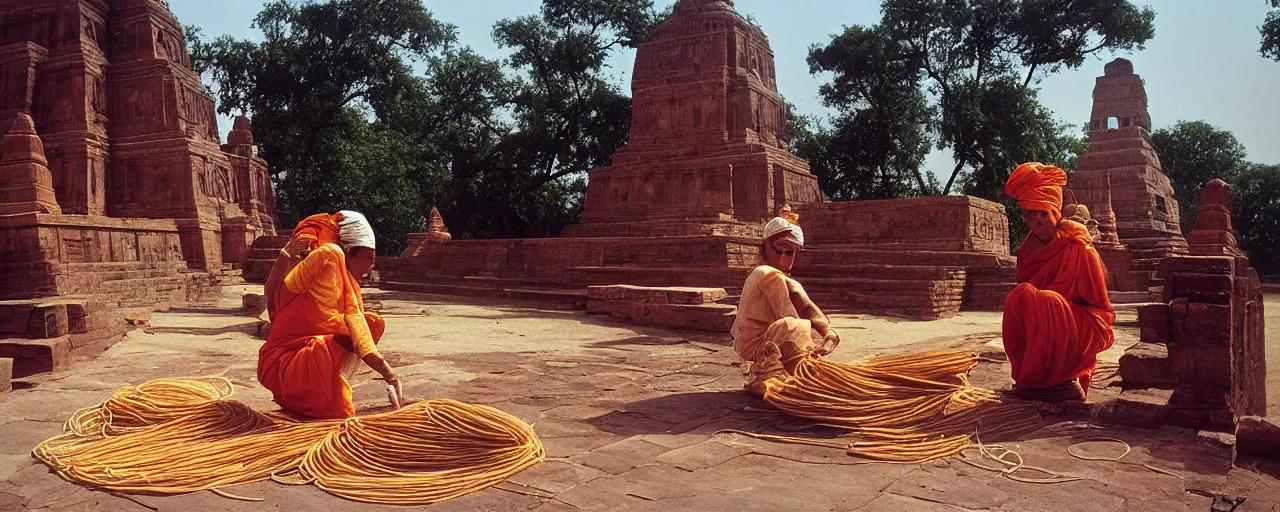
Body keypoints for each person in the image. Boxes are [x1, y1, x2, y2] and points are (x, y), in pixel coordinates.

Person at [257, 210, 404, 419]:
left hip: (305, 356)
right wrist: (286, 255)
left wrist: (391, 376)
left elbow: (360, 332)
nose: (372, 266)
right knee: (326, 346)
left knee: (371, 323)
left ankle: (314, 401)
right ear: (351, 252)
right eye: (369, 257)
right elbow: (275, 295)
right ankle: (304, 397)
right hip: (281, 362)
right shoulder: (330, 254)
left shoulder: (348, 285)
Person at [1002, 162, 1116, 403]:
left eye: (1042, 213)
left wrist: (1053, 306)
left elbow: (1101, 311)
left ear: (1054, 212)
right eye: (1030, 213)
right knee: (1018, 296)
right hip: (1044, 323)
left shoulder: (1080, 248)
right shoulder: (1028, 249)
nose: (1037, 220)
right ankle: (1030, 379)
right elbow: (1028, 298)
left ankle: (1061, 382)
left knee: (1049, 301)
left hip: (1083, 326)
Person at [731, 207, 841, 397]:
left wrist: (827, 331)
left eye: (790, 252)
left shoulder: (778, 277)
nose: (785, 258)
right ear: (766, 247)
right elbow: (790, 318)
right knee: (794, 327)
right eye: (780, 250)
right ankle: (766, 375)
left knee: (809, 331)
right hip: (761, 350)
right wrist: (808, 355)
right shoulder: (767, 275)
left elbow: (805, 305)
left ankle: (780, 372)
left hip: (762, 344)